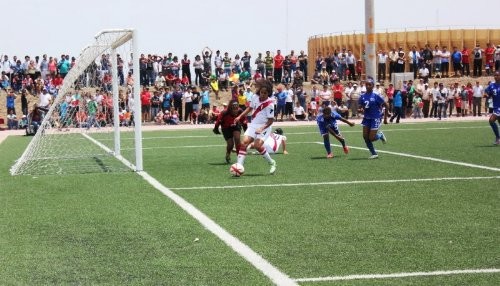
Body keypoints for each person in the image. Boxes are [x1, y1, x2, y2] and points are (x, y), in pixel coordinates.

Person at [234, 79, 277, 174]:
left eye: (265, 93)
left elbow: (271, 121)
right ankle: (239, 166)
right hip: (253, 125)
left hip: (264, 126)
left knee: (257, 145)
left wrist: (262, 128)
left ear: (268, 93)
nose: (263, 95)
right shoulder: (254, 97)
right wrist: (240, 116)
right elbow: (250, 108)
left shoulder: (270, 104)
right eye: (261, 92)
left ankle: (272, 162)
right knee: (244, 143)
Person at [358, 77, 389, 159]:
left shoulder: (376, 95)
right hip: (366, 118)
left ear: (372, 86)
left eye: (369, 85)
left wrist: (385, 118)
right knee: (365, 137)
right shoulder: (362, 96)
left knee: (371, 138)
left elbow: (386, 105)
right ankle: (374, 153)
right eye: (366, 84)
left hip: (375, 118)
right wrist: (360, 109)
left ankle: (380, 135)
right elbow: (361, 106)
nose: (368, 86)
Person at [485, 71, 500, 145]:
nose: (496, 76)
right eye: (495, 75)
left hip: (499, 108)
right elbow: (487, 92)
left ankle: (498, 138)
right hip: (495, 107)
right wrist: (487, 95)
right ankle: (498, 138)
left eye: (497, 75)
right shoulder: (491, 85)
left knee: (491, 120)